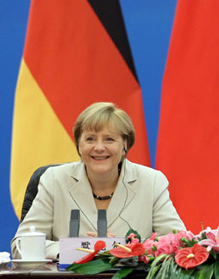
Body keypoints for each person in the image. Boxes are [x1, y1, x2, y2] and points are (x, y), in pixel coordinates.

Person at [11, 102, 185, 260]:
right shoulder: (55, 180)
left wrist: (127, 249)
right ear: (79, 145)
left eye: (109, 139)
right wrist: (75, 250)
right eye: (90, 139)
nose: (99, 148)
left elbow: (179, 242)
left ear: (124, 145)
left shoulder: (152, 182)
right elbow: (21, 245)